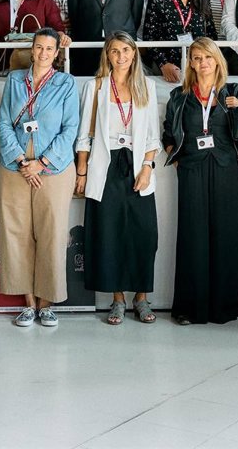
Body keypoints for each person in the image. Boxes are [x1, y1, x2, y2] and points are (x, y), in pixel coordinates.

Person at [162, 38, 238, 325]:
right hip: (192, 168)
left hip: (226, 167)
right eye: (197, 58)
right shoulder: (180, 96)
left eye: (208, 57)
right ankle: (190, 309)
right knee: (192, 235)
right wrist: (175, 158)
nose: (203, 63)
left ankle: (223, 307)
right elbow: (168, 133)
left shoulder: (232, 91)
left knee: (225, 234)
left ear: (217, 61)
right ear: (190, 62)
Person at [0, 28, 81, 327]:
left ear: (56, 54)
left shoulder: (66, 83)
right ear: (31, 50)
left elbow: (70, 129)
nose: (43, 53)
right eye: (39, 47)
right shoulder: (15, 80)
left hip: (53, 170)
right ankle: (29, 304)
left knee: (51, 234)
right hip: (15, 167)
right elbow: (4, 123)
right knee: (16, 234)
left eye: (49, 49)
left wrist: (41, 163)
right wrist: (22, 160)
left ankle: (47, 303)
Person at [75, 32, 161, 325]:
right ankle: (118, 299)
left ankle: (141, 298)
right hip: (105, 165)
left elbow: (153, 135)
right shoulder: (95, 86)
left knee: (143, 234)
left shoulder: (147, 86)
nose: (121, 56)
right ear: (107, 55)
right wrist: (82, 172)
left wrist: (147, 167)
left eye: (126, 50)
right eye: (115, 51)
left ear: (134, 53)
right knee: (109, 233)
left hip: (137, 165)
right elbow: (84, 135)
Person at [144, 0, 218, 82]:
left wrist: (206, 62)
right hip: (168, 69)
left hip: (200, 66)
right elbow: (149, 37)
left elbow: (211, 35)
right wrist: (163, 64)